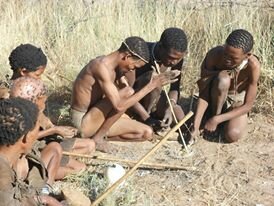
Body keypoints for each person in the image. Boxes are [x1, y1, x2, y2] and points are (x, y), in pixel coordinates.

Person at [71, 36, 180, 152]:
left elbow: (124, 96)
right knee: (128, 92)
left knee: (146, 133)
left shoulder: (115, 67)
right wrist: (151, 86)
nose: (132, 70)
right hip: (82, 121)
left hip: (97, 117)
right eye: (134, 66)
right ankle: (97, 138)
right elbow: (119, 105)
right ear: (127, 56)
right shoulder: (100, 67)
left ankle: (96, 137)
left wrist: (147, 117)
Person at [8, 44, 95, 178]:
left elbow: (39, 117)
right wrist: (53, 131)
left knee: (89, 145)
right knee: (79, 169)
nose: (40, 79)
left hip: (42, 140)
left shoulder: (29, 90)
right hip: (27, 148)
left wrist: (52, 127)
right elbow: (19, 140)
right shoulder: (9, 99)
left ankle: (53, 160)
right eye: (37, 75)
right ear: (23, 71)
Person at [191, 29, 261, 143]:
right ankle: (212, 118)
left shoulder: (253, 66)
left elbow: (248, 106)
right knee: (223, 79)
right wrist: (195, 126)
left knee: (233, 135)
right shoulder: (214, 55)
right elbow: (203, 94)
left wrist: (217, 119)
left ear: (247, 55)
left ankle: (219, 121)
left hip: (236, 103)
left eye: (234, 58)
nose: (227, 59)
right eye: (225, 53)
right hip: (213, 98)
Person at [125, 27, 188, 134]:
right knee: (153, 78)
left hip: (154, 100)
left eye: (178, 59)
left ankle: (154, 118)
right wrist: (147, 118)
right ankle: (143, 118)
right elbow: (127, 93)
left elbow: (174, 88)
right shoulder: (142, 54)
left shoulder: (176, 59)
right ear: (160, 47)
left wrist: (170, 107)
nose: (174, 62)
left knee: (180, 119)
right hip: (133, 101)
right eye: (171, 57)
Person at [0, 97, 61, 206]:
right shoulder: (2, 174)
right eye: (37, 130)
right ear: (27, 137)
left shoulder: (6, 161)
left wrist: (44, 199)